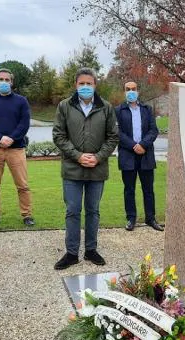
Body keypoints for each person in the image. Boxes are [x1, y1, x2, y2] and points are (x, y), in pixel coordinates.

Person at [52, 68, 118, 270]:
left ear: (95, 85)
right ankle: (72, 253)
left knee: (93, 211)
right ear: (76, 85)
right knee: (72, 211)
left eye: (89, 84)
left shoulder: (106, 107)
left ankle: (91, 250)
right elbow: (58, 135)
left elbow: (113, 137)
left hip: (96, 170)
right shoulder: (65, 106)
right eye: (82, 84)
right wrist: (78, 156)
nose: (85, 87)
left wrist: (97, 158)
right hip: (72, 169)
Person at [0, 68, 33, 228]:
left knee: (22, 185)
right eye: (1, 79)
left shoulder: (21, 101)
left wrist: (12, 138)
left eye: (7, 80)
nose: (4, 82)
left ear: (12, 82)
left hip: (16, 149)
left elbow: (24, 123)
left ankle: (27, 215)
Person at [114, 81, 163, 232]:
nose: (131, 92)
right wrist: (133, 145)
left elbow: (153, 130)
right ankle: (131, 218)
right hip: (127, 155)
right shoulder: (118, 110)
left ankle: (151, 218)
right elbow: (117, 132)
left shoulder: (147, 109)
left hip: (146, 154)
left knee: (148, 189)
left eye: (133, 89)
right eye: (128, 89)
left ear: (138, 91)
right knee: (129, 189)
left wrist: (142, 144)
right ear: (124, 92)